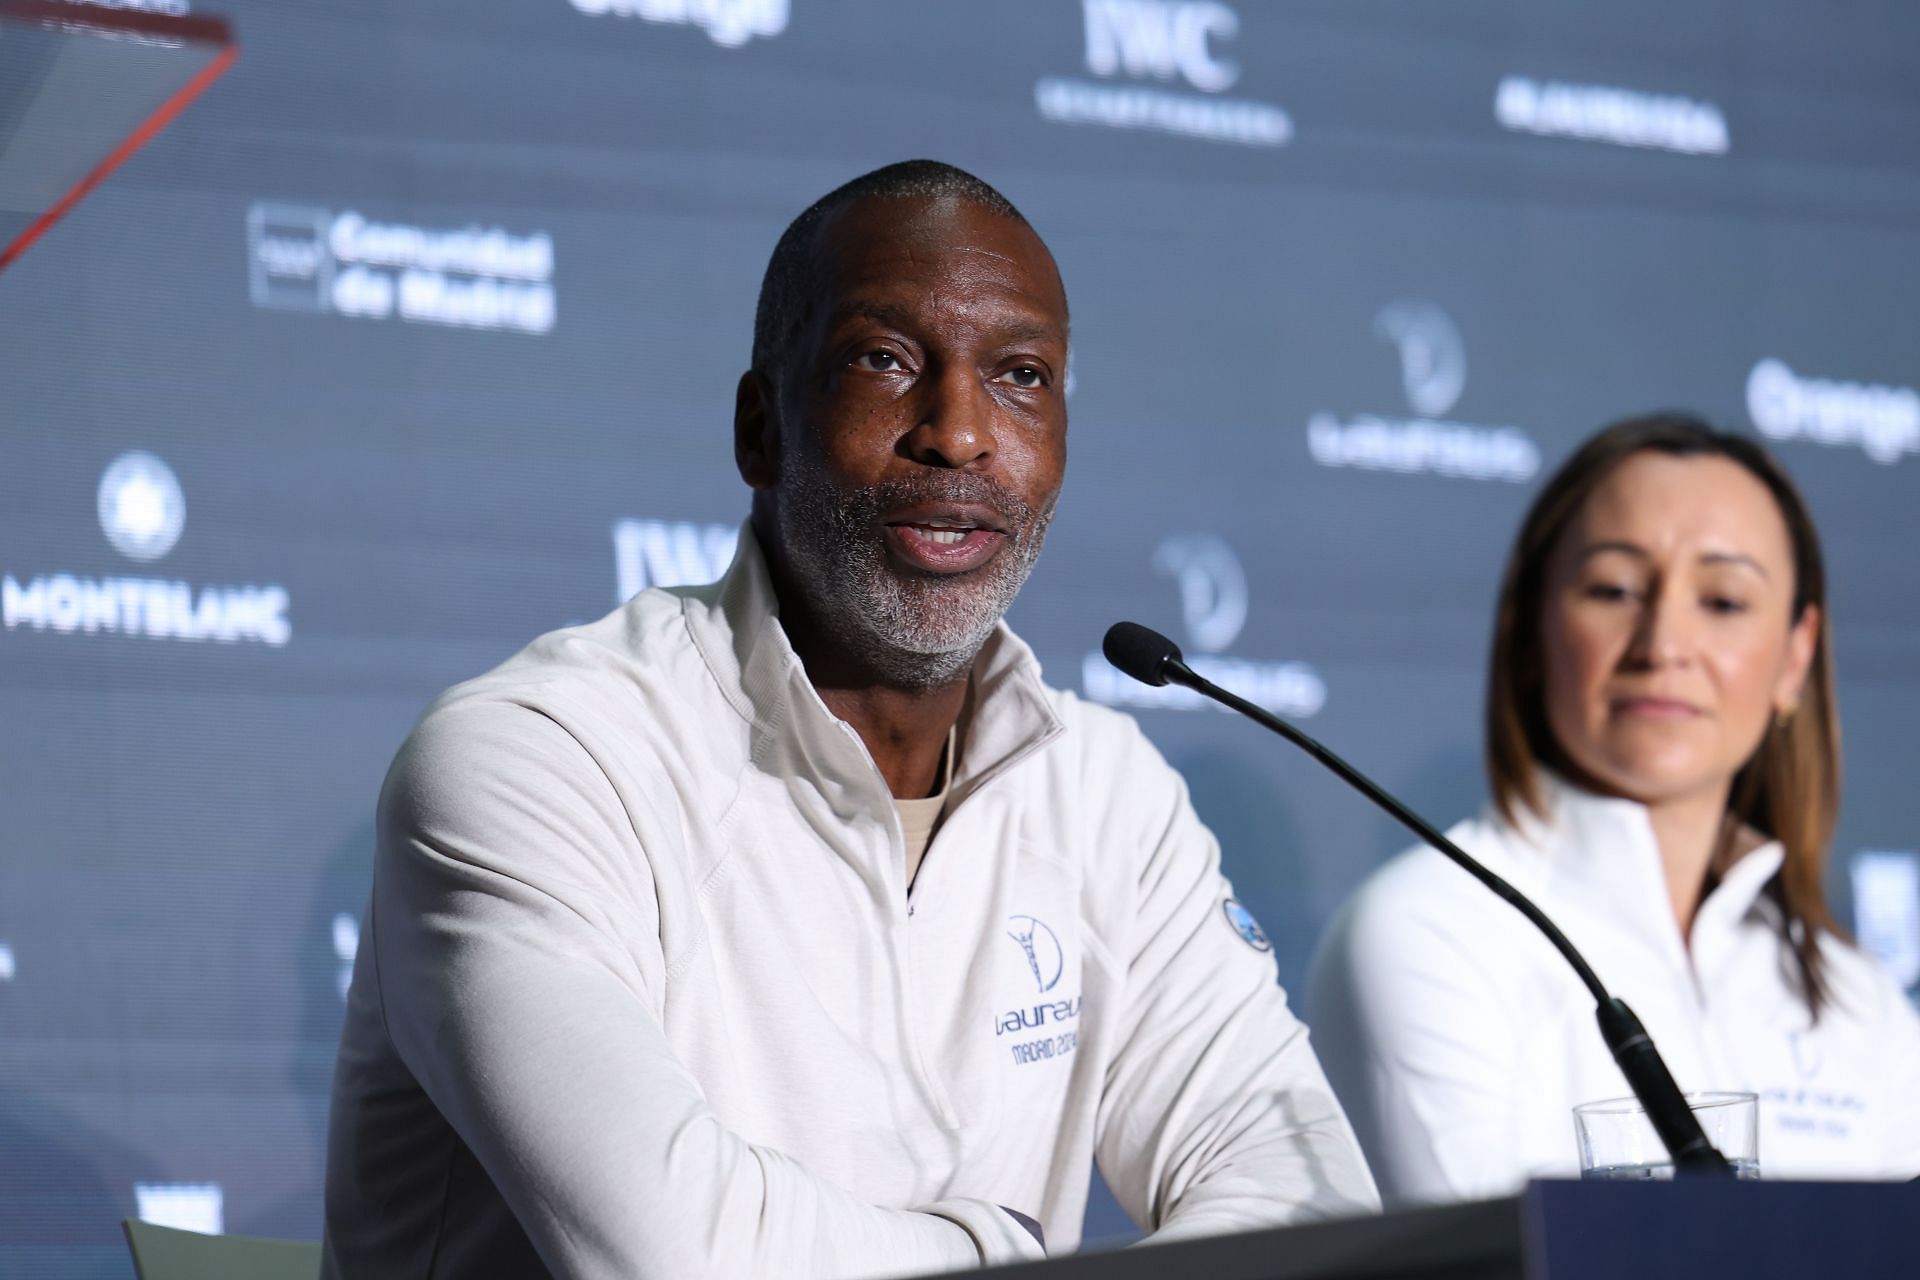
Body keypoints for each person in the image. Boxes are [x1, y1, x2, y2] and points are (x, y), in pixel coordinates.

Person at [322, 160, 1378, 1279]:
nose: (960, 432)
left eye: (1022, 376)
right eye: (886, 360)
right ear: (759, 426)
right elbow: (684, 1257)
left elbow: (1306, 1201)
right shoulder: (540, 759)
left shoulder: (1107, 792)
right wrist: (1008, 1251)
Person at [1307, 413, 1920, 1205]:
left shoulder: (1855, 996)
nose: (1663, 642)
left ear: (1795, 657)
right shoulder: (1425, 932)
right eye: (1616, 590)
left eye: (1725, 601)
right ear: (1531, 631)